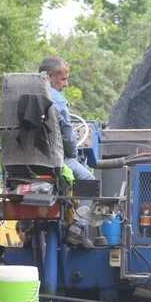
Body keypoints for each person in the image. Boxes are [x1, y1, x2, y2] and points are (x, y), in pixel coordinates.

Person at [38, 55, 96, 248]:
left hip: (25, 165)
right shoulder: (58, 101)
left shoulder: (19, 96)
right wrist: (72, 153)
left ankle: (29, 229)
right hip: (55, 161)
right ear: (48, 76)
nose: (66, 84)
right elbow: (69, 139)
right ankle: (77, 229)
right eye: (63, 79)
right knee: (90, 183)